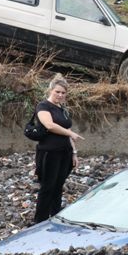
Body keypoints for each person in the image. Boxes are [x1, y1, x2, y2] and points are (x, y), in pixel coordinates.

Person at [34, 75, 84, 223]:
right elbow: (49, 125)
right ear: (51, 90)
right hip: (49, 152)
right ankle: (40, 220)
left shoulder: (62, 109)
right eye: (58, 92)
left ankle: (55, 216)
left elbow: (67, 130)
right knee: (47, 186)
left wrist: (74, 153)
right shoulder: (43, 106)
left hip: (65, 152)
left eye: (63, 93)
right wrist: (70, 133)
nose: (60, 95)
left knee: (58, 185)